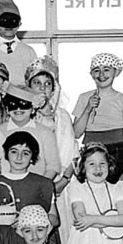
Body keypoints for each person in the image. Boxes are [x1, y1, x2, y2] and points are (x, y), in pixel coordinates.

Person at [72, 53, 123, 184]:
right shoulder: (84, 98)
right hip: (89, 150)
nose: (101, 75)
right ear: (92, 74)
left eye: (107, 70)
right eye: (97, 71)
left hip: (117, 151)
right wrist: (87, 108)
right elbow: (76, 133)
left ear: (116, 72)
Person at [25, 56, 78, 195]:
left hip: (62, 182)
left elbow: (72, 151)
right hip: (30, 180)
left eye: (48, 83)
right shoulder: (22, 115)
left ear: (54, 88)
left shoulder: (63, 116)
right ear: (29, 86)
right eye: (37, 82)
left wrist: (64, 181)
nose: (42, 88)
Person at [0, 84, 61, 180]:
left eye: (24, 104)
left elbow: (53, 166)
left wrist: (41, 186)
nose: (18, 109)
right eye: (13, 105)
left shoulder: (45, 133)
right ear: (7, 109)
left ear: (33, 108)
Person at [0, 0, 37, 85]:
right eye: (4, 21)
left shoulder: (29, 52)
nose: (8, 26)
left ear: (19, 24)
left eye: (13, 21)